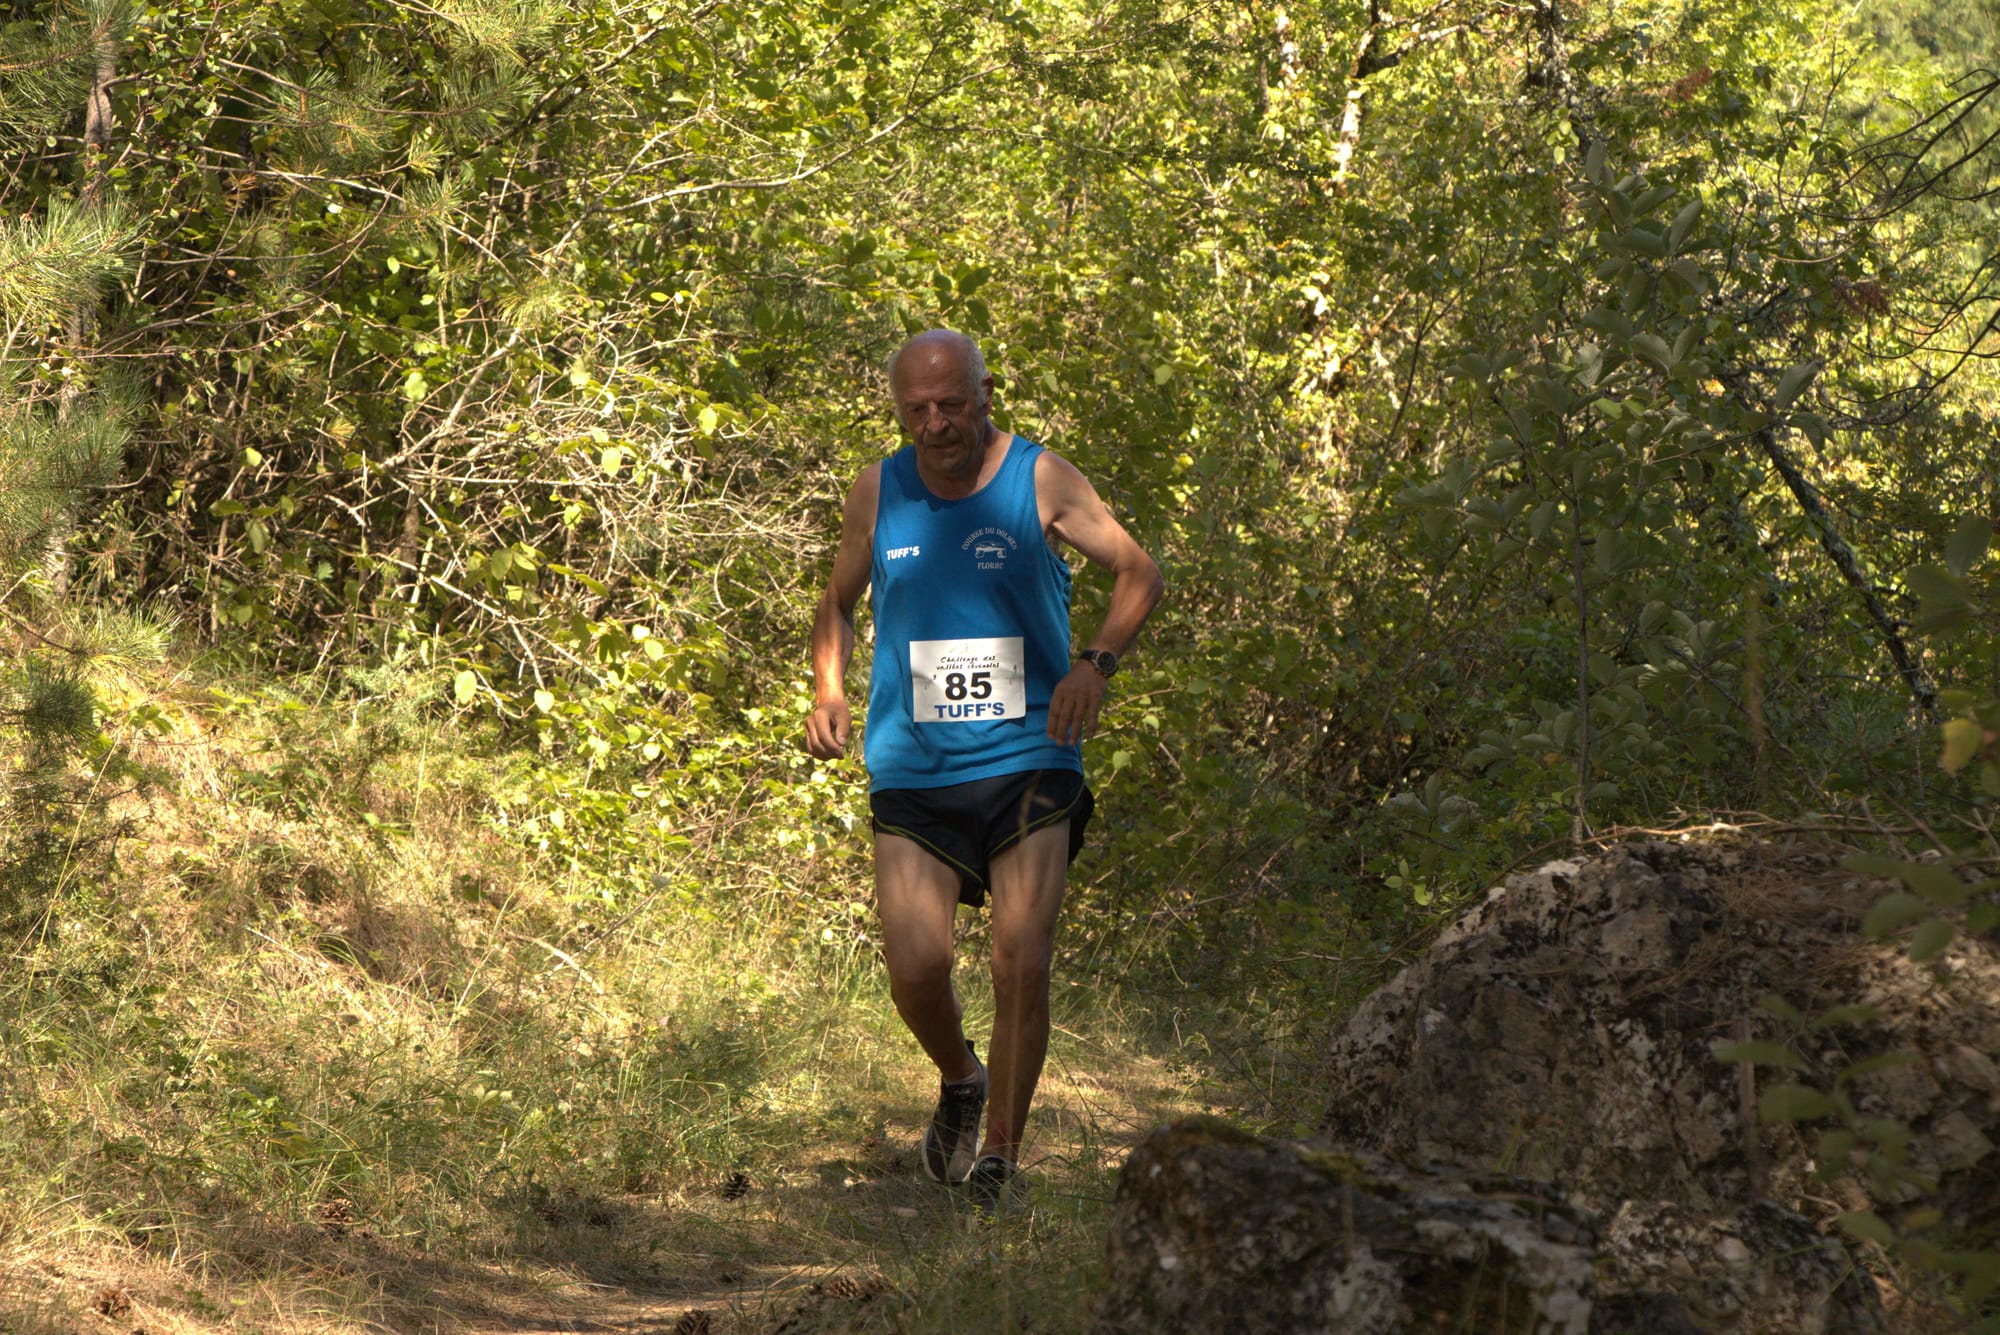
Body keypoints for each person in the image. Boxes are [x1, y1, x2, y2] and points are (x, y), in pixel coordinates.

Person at [804, 329, 1164, 1208]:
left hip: (1028, 759)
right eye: (916, 410)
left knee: (1018, 958)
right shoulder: (876, 490)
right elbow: (838, 600)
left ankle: (1000, 1152)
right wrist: (827, 687)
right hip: (914, 765)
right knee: (916, 967)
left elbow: (1138, 571)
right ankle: (961, 1077)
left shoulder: (1039, 479)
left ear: (985, 393)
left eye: (951, 405)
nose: (935, 424)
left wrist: (1096, 665)